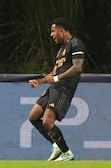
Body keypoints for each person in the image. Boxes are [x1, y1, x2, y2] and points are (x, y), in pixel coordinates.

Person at [27, 17, 86, 161]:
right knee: (33, 116)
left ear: (61, 30)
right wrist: (39, 82)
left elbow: (77, 68)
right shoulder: (60, 50)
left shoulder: (76, 44)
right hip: (55, 86)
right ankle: (56, 144)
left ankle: (66, 153)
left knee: (47, 122)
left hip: (64, 88)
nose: (51, 35)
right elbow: (54, 73)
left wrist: (58, 78)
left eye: (53, 31)